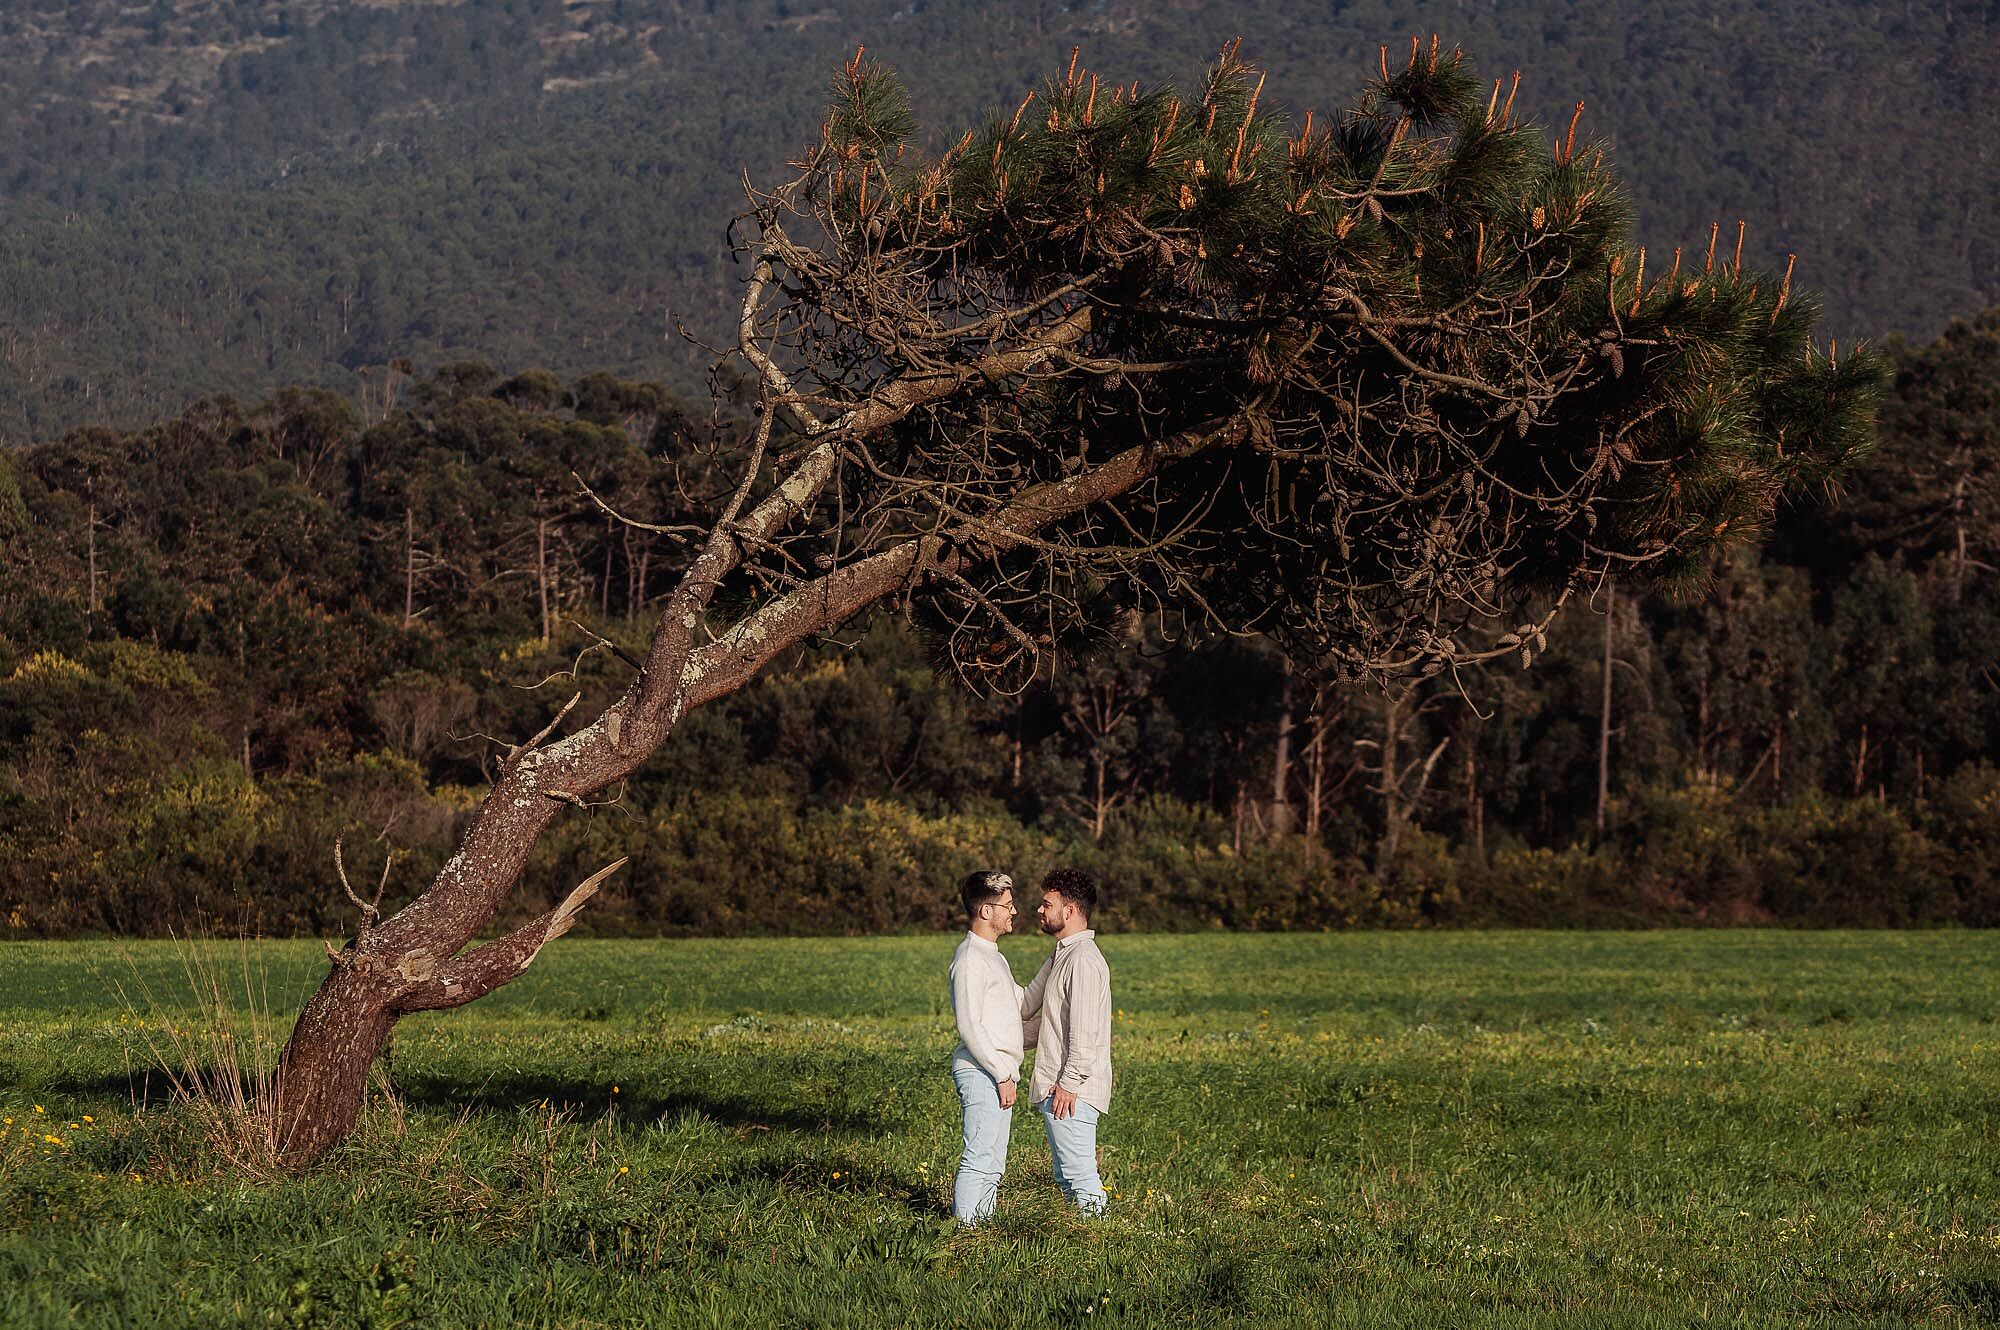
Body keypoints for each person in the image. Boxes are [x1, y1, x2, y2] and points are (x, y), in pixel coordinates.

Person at [1021, 867, 1112, 1216]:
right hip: (1060, 1087)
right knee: (1066, 1177)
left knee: (1079, 1176)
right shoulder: (1062, 954)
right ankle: (1081, 1236)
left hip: (1072, 1091)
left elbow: (1084, 1033)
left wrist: (1069, 1084)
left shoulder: (1083, 960)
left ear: (1069, 910)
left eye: (1047, 904)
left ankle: (1098, 1237)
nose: (1039, 910)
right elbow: (1041, 1016)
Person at [947, 868, 1025, 1224]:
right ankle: (964, 1231)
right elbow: (969, 1025)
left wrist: (1058, 964)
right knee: (979, 1155)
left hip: (999, 1072)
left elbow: (1020, 1003)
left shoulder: (994, 955)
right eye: (1007, 905)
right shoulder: (969, 959)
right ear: (986, 910)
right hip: (982, 1072)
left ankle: (983, 1227)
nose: (1014, 911)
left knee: (994, 1161)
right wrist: (1000, 1074)